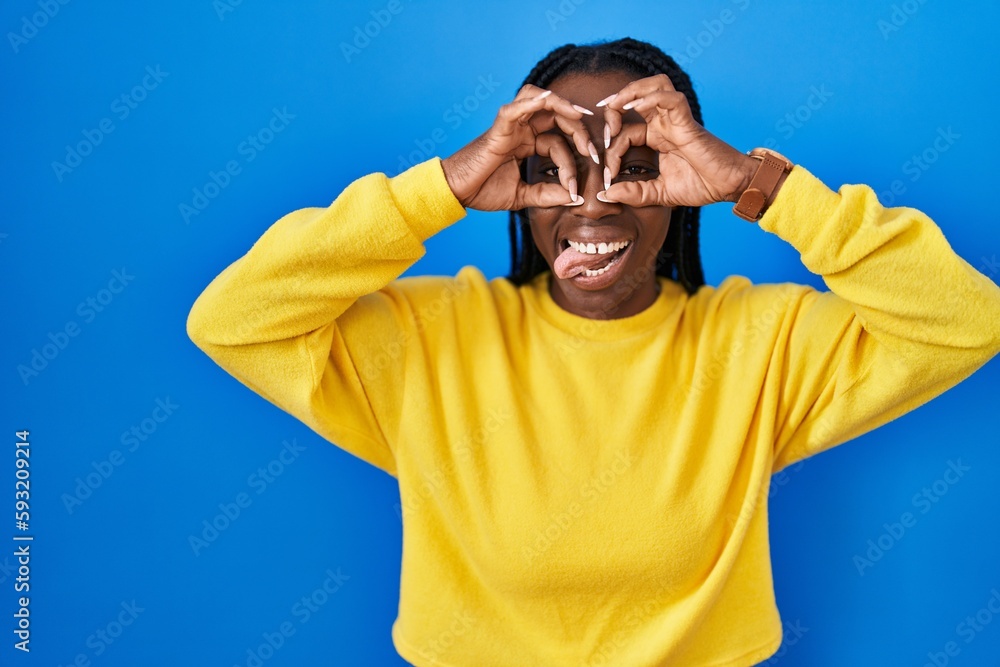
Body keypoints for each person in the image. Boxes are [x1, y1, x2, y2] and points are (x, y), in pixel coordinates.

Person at [187, 37, 1000, 667]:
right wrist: (440, 190)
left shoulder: (762, 341)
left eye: (633, 167)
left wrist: (757, 184)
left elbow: (965, 321)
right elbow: (233, 318)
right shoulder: (429, 337)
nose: (593, 204)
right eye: (555, 170)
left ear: (684, 188)